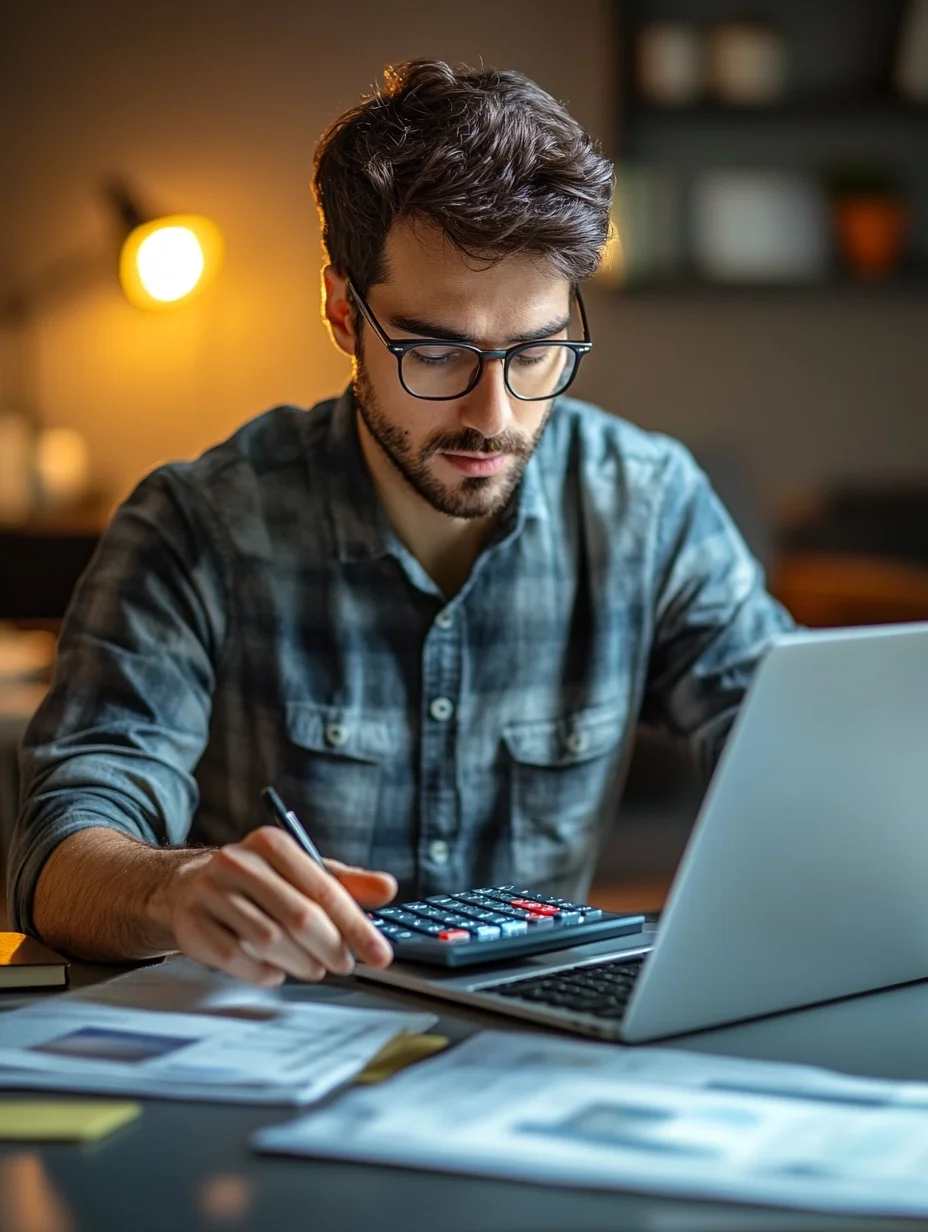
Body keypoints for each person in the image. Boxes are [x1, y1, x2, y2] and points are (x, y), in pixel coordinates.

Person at [8, 59, 792, 988]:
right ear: (345, 311)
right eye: (435, 350)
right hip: (272, 1058)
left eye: (536, 352)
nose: (493, 415)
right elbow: (60, 853)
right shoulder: (194, 527)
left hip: (538, 1060)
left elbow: (792, 748)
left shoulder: (647, 504)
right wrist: (174, 888)